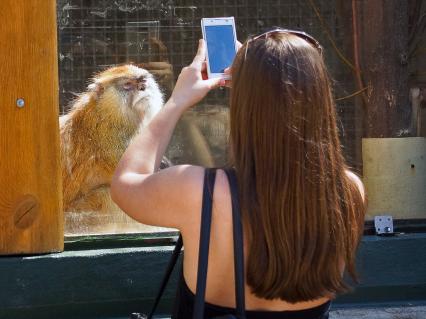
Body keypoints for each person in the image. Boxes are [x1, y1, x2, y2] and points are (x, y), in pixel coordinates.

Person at [111, 29, 366, 319]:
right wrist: (261, 78)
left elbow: (125, 184)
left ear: (245, 106)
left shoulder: (200, 191)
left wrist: (177, 101)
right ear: (321, 98)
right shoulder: (349, 192)